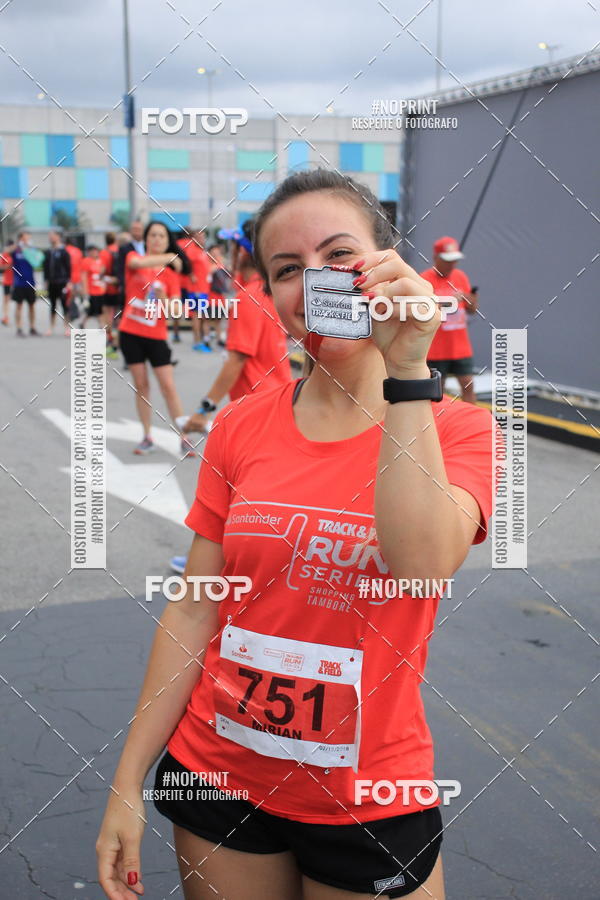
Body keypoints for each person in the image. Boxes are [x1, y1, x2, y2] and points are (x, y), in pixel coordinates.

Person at [97, 169, 496, 900]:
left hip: (368, 796)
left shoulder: (461, 428)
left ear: (389, 263)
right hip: (217, 774)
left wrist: (408, 367)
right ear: (271, 296)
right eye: (287, 270)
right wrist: (126, 781)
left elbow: (421, 567)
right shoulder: (244, 425)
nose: (316, 282)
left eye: (339, 255)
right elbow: (194, 607)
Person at [170, 221, 292, 574]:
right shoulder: (269, 293)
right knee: (246, 492)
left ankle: (216, 566)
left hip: (259, 411)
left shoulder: (249, 296)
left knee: (232, 492)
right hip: (276, 405)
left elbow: (237, 360)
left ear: (242, 252)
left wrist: (203, 409)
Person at [118, 220, 194, 457]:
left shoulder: (170, 275)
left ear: (166, 240)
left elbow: (175, 311)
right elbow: (137, 262)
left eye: (162, 236)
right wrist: (171, 257)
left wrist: (163, 298)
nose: (157, 239)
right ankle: (147, 436)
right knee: (142, 386)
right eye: (153, 235)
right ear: (146, 239)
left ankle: (184, 436)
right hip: (130, 333)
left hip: (156, 336)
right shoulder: (134, 259)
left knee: (168, 387)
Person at [420, 237, 479, 404]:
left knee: (468, 385)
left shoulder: (460, 276)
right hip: (436, 347)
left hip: (460, 345)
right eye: (447, 260)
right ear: (435, 258)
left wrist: (471, 300)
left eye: (454, 260)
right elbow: (420, 309)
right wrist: (450, 299)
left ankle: (470, 422)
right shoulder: (424, 279)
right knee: (438, 389)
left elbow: (472, 310)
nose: (452, 265)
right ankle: (438, 424)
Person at [176, 228, 211, 349]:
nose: (202, 239)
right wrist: (191, 275)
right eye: (200, 237)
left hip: (204, 288)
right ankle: (197, 341)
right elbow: (184, 263)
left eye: (203, 237)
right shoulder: (191, 250)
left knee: (203, 315)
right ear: (193, 238)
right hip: (196, 290)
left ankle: (204, 338)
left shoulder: (202, 251)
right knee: (197, 315)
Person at [43, 229, 71, 336]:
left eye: (52, 235)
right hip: (51, 282)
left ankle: (67, 327)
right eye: (50, 236)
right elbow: (46, 267)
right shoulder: (49, 251)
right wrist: (45, 280)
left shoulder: (64, 251)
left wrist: (69, 281)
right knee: (52, 305)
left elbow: (68, 267)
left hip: (62, 282)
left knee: (65, 305)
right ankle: (51, 327)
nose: (50, 238)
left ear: (58, 237)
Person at [11, 231, 40, 337]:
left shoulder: (31, 250)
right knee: (19, 305)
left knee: (32, 305)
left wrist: (29, 248)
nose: (27, 240)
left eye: (29, 238)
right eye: (25, 238)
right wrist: (18, 245)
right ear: (20, 239)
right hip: (19, 283)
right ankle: (19, 328)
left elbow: (38, 260)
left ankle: (32, 327)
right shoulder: (16, 250)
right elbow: (6, 252)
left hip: (30, 282)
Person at [99, 232, 121, 357]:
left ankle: (110, 337)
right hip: (119, 286)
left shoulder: (105, 252)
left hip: (109, 288)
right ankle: (117, 338)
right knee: (118, 316)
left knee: (108, 313)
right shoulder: (119, 250)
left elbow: (102, 270)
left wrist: (101, 277)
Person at [80, 245, 106, 327]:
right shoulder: (86, 261)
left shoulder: (100, 261)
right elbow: (84, 276)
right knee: (96, 309)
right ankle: (101, 325)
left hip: (100, 289)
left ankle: (83, 323)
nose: (95, 253)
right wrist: (85, 290)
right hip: (92, 290)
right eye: (93, 251)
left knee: (97, 309)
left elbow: (103, 273)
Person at [65, 235, 83, 320]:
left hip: (68, 278)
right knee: (73, 296)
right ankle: (73, 312)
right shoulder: (78, 251)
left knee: (67, 298)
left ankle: (69, 314)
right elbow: (81, 266)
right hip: (77, 278)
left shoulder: (65, 250)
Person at [0, 246, 13, 326]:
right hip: (7, 281)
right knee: (6, 299)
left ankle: (7, 316)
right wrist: (8, 265)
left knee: (14, 301)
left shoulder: (14, 255)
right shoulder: (4, 256)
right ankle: (5, 317)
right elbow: (1, 267)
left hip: (16, 281)